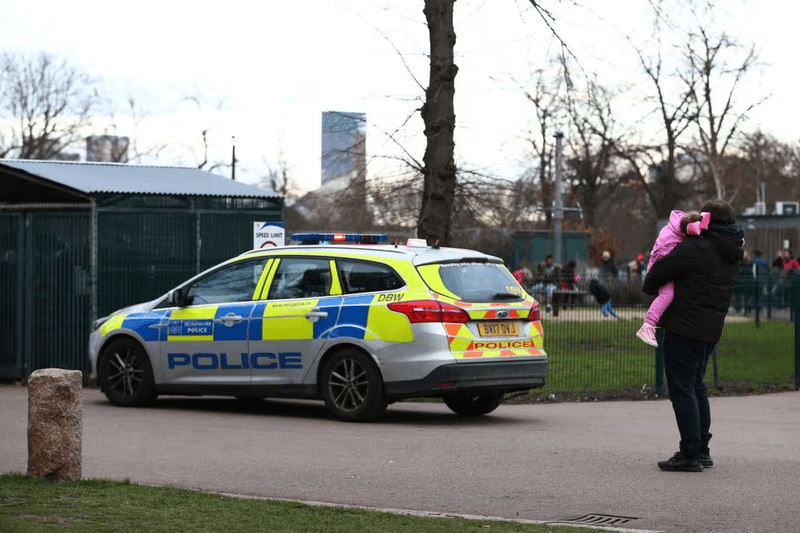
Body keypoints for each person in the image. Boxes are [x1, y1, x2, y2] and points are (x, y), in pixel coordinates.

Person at [642, 199, 744, 472]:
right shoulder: (732, 251)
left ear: (707, 218)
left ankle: (690, 453)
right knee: (697, 385)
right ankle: (702, 448)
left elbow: (654, 276)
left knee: (682, 389)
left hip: (683, 326)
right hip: (711, 329)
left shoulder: (697, 248)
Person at [636, 210, 708, 347]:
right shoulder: (672, 241)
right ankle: (648, 324)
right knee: (667, 294)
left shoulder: (671, 229)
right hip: (658, 268)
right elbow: (668, 261)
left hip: (656, 266)